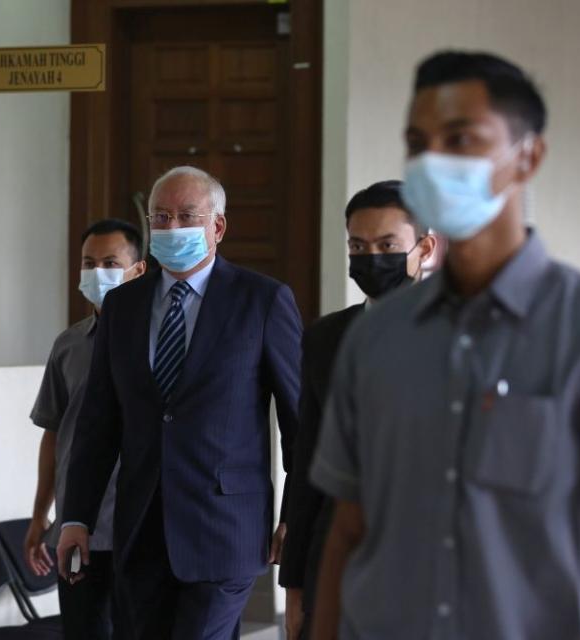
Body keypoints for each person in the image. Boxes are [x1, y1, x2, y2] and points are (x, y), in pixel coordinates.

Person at [311, 51, 580, 640]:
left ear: (527, 156)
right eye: (417, 140)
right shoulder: (376, 338)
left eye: (461, 138)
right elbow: (348, 530)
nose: (434, 160)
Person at [57, 166, 302, 640]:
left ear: (218, 226)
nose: (172, 228)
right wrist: (76, 517)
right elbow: (98, 423)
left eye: (187, 216)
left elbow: (299, 422)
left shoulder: (263, 301)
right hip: (141, 528)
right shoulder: (123, 307)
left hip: (224, 529)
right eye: (161, 217)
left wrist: (296, 516)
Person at [279, 179, 435, 640]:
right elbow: (307, 461)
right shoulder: (326, 338)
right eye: (358, 246)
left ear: (424, 247)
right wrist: (294, 586)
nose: (372, 258)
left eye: (388, 245)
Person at [24, 218, 147, 640]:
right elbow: (54, 434)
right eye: (89, 264)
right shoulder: (69, 346)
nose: (98, 274)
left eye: (111, 262)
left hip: (144, 532)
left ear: (139, 270)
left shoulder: (161, 344)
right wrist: (41, 516)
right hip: (81, 532)